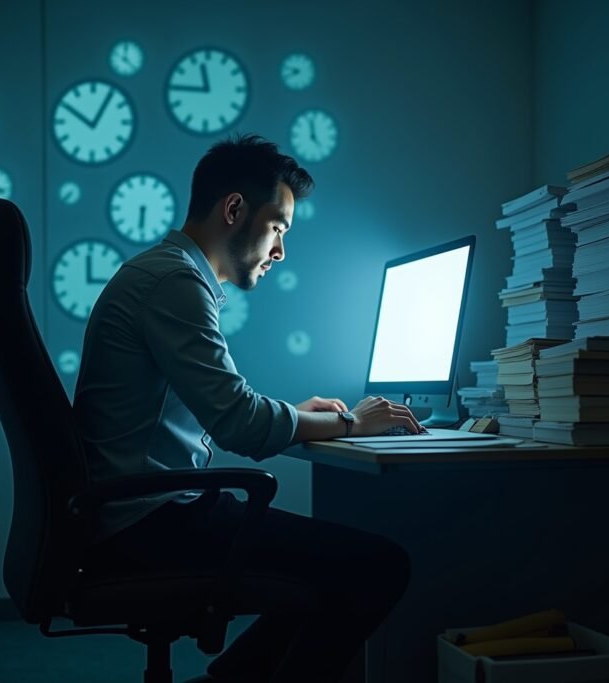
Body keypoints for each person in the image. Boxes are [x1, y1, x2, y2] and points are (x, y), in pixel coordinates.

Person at [73, 134, 418, 683]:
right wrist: (352, 422)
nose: (281, 249)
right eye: (278, 226)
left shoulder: (167, 274)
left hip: (140, 512)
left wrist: (301, 414)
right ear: (234, 209)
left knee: (331, 570)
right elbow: (240, 425)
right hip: (150, 524)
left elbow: (231, 406)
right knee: (379, 567)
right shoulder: (174, 282)